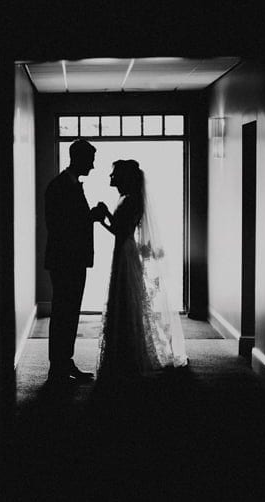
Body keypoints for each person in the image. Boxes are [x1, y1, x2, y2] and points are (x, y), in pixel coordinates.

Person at [96, 159, 188, 382]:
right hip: (124, 250)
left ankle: (128, 355)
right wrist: (105, 216)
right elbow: (120, 230)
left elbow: (120, 230)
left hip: (126, 253)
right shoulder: (129, 198)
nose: (111, 177)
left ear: (124, 177)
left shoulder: (130, 200)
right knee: (125, 301)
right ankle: (125, 352)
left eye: (114, 174)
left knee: (126, 300)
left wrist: (104, 215)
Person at [44, 139, 107, 385]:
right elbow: (59, 226)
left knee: (69, 314)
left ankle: (64, 362)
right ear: (78, 158)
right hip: (64, 261)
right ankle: (57, 368)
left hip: (72, 260)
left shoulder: (71, 185)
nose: (92, 166)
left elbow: (72, 220)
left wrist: (89, 217)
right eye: (90, 160)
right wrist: (91, 216)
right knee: (63, 314)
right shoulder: (59, 186)